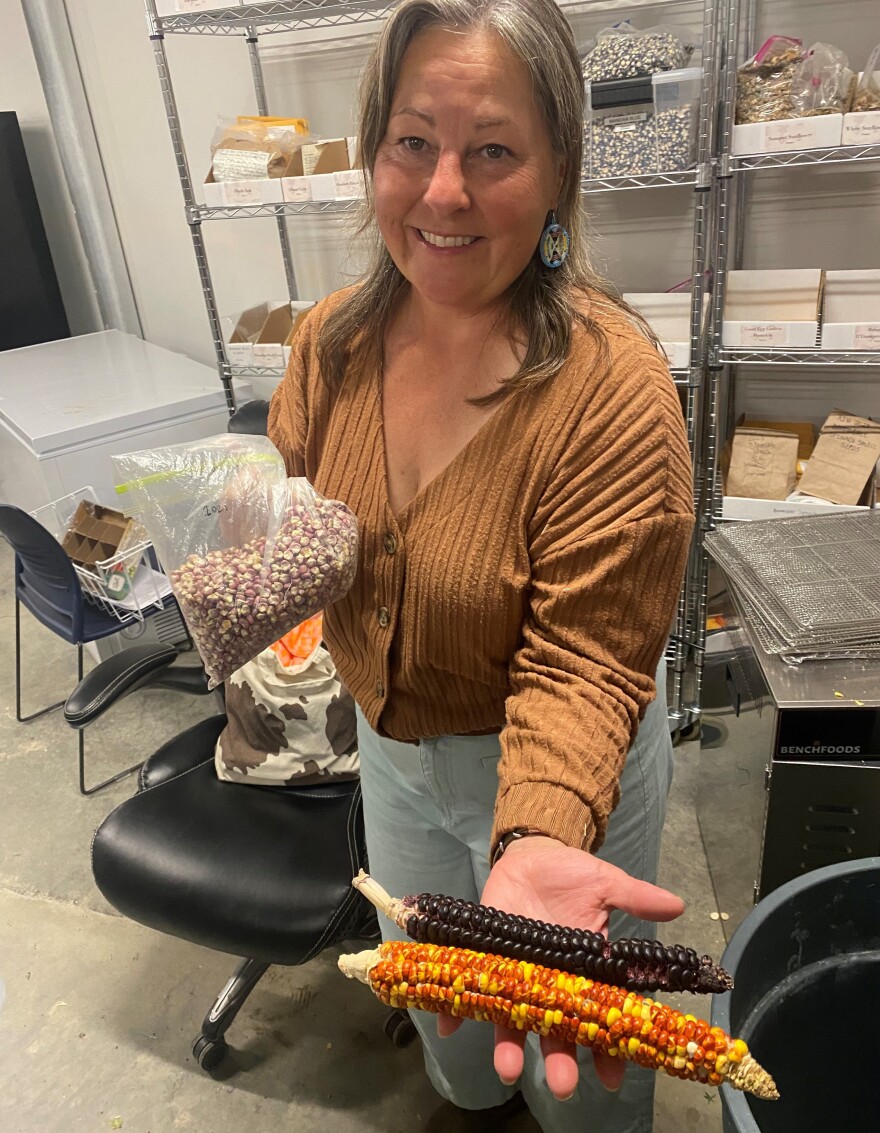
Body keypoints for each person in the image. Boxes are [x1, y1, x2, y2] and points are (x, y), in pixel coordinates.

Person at [268, 1, 694, 1129]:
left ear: (560, 168)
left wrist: (542, 834)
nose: (442, 191)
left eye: (493, 150)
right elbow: (302, 522)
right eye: (413, 141)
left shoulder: (609, 391)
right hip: (394, 757)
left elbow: (589, 658)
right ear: (375, 150)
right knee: (456, 1041)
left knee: (575, 1062)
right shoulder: (332, 345)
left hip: (557, 766)